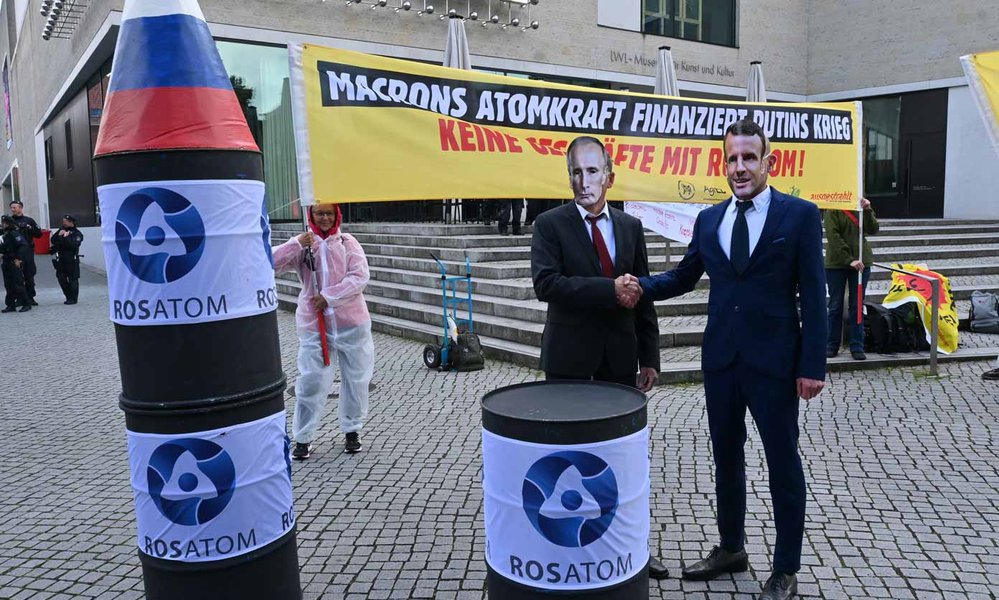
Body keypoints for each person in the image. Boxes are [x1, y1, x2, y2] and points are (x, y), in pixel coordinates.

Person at [629, 119, 826, 600]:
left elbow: (815, 297)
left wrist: (812, 365)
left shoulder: (799, 216)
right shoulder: (710, 220)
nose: (740, 168)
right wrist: (638, 286)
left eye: (749, 158)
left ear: (767, 162)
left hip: (775, 365)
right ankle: (732, 548)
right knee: (726, 458)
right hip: (721, 362)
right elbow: (683, 276)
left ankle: (785, 569)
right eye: (732, 159)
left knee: (783, 463)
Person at [530, 135, 667, 580]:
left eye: (592, 171)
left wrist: (650, 356)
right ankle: (567, 551)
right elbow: (546, 284)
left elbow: (643, 294)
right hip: (569, 359)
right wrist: (608, 289)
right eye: (575, 171)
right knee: (567, 458)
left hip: (619, 359)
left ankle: (630, 549)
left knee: (620, 457)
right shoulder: (549, 224)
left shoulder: (629, 226)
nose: (583, 180)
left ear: (610, 176)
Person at [272, 204, 374, 459]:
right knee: (311, 381)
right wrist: (296, 243)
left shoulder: (348, 242)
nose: (325, 218)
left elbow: (360, 277)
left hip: (352, 323)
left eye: (329, 213)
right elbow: (270, 263)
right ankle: (303, 437)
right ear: (311, 215)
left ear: (337, 215)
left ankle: (352, 429)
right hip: (313, 325)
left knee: (357, 381)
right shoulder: (305, 244)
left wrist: (328, 297)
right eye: (320, 213)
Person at [825, 198, 878, 360]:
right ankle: (832, 344)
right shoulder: (832, 208)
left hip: (862, 263)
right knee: (835, 305)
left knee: (857, 305)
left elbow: (873, 229)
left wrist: (868, 210)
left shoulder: (859, 206)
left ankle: (857, 345)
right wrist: (849, 259)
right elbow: (833, 236)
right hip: (836, 264)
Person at [8, 199, 41, 306]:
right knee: (16, 276)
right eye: (12, 207)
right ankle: (19, 298)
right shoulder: (8, 221)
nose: (13, 209)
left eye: (15, 207)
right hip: (14, 252)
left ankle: (30, 297)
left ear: (21, 208)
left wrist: (29, 228)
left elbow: (38, 234)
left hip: (27, 252)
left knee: (29, 275)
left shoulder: (29, 220)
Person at [49, 214, 84, 305]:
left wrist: (66, 237)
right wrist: (60, 235)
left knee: (73, 279)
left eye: (65, 222)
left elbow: (72, 245)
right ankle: (68, 296)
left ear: (71, 222)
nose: (63, 223)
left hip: (71, 259)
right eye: (63, 222)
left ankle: (73, 298)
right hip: (61, 259)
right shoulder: (62, 230)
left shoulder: (77, 233)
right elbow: (53, 240)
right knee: (61, 279)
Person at [1, 215, 31, 313]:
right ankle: (10, 305)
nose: (2, 224)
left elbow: (23, 245)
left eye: (4, 223)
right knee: (8, 285)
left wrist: (19, 259)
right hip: (6, 261)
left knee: (18, 284)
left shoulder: (14, 234)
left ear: (9, 223)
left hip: (14, 261)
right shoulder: (5, 234)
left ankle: (26, 303)